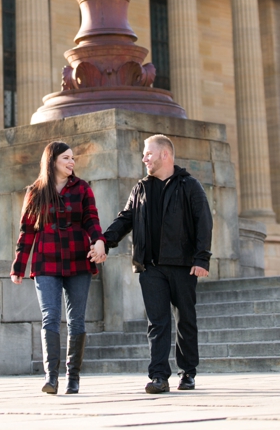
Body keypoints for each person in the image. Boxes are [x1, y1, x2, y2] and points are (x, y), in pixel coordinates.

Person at [99, 134, 213, 394]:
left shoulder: (189, 185)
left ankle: (188, 372)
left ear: (165, 155)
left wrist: (201, 258)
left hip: (183, 265)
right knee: (157, 322)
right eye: (143, 154)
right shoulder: (140, 188)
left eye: (148, 153)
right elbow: (125, 219)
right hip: (150, 266)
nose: (144, 158)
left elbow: (203, 222)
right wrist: (105, 241)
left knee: (185, 318)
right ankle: (159, 376)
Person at [11, 141, 107, 394]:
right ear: (52, 160)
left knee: (76, 320)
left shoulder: (83, 188)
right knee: (50, 316)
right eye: (66, 158)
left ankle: (73, 378)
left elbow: (91, 220)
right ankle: (51, 378)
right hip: (46, 260)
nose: (71, 162)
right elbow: (26, 232)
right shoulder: (35, 191)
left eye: (73, 158)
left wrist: (99, 241)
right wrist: (18, 268)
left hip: (78, 258)